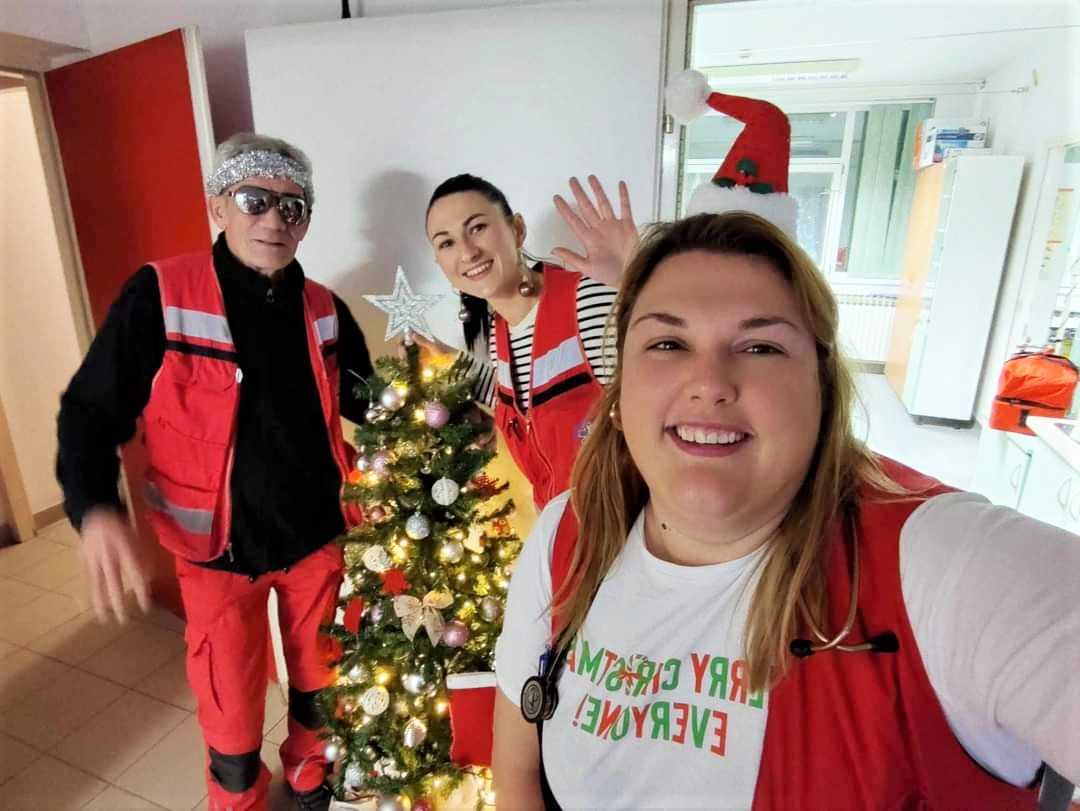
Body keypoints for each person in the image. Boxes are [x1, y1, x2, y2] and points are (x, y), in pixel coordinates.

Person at [491, 210, 1080, 808]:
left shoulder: (941, 566)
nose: (709, 383)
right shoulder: (567, 531)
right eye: (668, 343)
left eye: (760, 347)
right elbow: (516, 772)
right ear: (620, 388)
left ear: (822, 389)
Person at [56, 133, 374, 811]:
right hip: (217, 553)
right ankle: (240, 802)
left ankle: (311, 774)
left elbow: (365, 400)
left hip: (317, 536)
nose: (274, 219)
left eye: (293, 207)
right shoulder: (162, 294)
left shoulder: (324, 307)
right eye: (255, 200)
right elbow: (90, 409)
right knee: (230, 713)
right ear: (218, 206)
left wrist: (431, 396)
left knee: (321, 681)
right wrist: (94, 505)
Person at [423, 173, 639, 508]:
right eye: (446, 243)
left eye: (477, 227)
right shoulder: (500, 329)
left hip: (623, 524)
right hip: (559, 529)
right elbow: (525, 405)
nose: (467, 252)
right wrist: (446, 360)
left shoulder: (586, 300)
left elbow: (659, 402)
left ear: (517, 229)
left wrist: (636, 287)